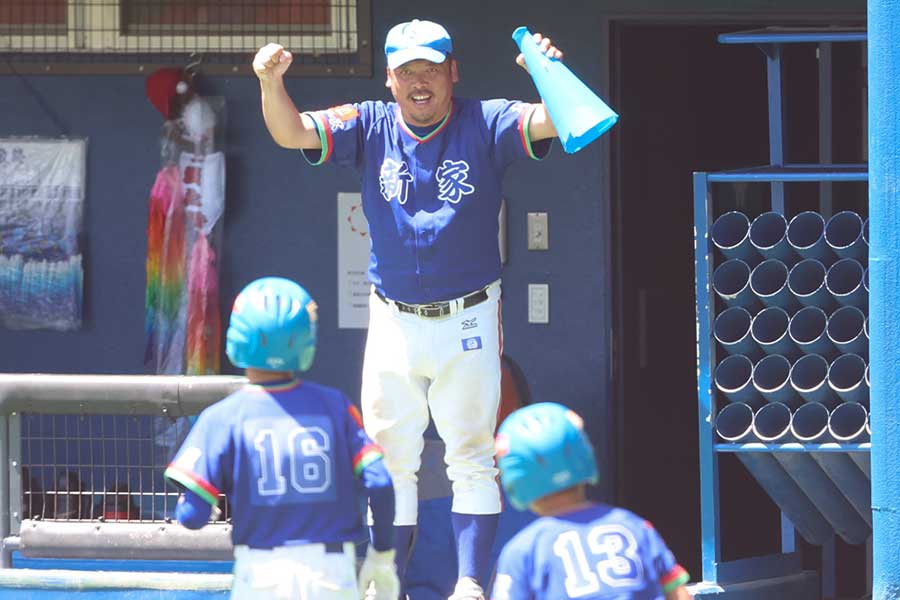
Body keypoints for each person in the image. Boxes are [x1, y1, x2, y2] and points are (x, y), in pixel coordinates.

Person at [253, 18, 564, 600]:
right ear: (390, 80)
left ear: (453, 72)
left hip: (469, 313)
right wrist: (270, 84)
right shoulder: (369, 123)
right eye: (407, 71)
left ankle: (470, 583)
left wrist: (546, 72)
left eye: (432, 69)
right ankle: (386, 582)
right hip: (393, 315)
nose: (420, 82)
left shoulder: (486, 119)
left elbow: (558, 119)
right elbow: (292, 132)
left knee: (471, 455)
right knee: (391, 454)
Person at [164, 277, 399, 600]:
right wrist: (382, 554)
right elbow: (381, 482)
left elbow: (192, 517)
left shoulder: (222, 417)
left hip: (262, 572)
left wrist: (192, 506)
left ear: (239, 337)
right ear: (303, 341)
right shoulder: (334, 405)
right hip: (331, 571)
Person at [492, 403, 692, 600]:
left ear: (515, 475)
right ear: (583, 454)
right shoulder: (634, 526)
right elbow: (680, 595)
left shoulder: (522, 551)